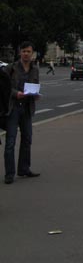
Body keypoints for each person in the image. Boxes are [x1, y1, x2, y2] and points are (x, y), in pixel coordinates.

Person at [4, 41, 40, 184]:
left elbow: (35, 86)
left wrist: (36, 94)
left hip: (27, 108)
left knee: (27, 139)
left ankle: (24, 168)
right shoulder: (11, 68)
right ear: (20, 53)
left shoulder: (35, 69)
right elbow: (3, 87)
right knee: (10, 141)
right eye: (24, 51)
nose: (26, 54)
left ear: (32, 54)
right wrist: (15, 93)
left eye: (28, 51)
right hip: (13, 108)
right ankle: (9, 173)